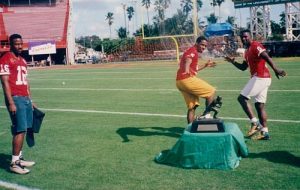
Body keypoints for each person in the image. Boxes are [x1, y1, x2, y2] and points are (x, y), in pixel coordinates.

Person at [224, 29, 286, 140]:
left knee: (242, 98)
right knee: (259, 105)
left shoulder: (255, 45)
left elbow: (266, 56)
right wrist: (232, 62)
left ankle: (255, 123)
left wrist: (276, 69)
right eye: (242, 37)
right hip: (262, 78)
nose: (244, 38)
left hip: (261, 77)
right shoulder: (246, 51)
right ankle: (264, 132)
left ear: (250, 36)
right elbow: (243, 67)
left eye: (246, 36)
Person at [0, 34, 36, 174]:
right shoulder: (5, 58)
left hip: (25, 98)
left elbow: (26, 82)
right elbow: (4, 82)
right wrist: (11, 102)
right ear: (11, 44)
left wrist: (30, 100)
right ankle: (14, 163)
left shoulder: (22, 60)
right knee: (20, 130)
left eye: (21, 43)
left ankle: (19, 158)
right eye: (16, 44)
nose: (20, 46)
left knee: (24, 128)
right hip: (15, 98)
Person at [176, 36, 221, 124]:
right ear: (196, 43)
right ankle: (206, 115)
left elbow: (194, 68)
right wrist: (186, 69)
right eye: (202, 45)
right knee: (211, 91)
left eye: (205, 46)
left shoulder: (192, 51)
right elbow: (188, 60)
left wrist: (205, 65)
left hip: (179, 82)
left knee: (192, 107)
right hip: (187, 79)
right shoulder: (193, 51)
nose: (203, 47)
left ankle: (190, 129)